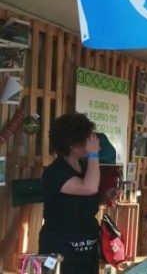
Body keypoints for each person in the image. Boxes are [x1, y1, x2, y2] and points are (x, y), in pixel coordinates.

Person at [39, 113, 101, 274]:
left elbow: (90, 196)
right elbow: (89, 188)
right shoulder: (55, 172)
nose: (90, 143)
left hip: (87, 246)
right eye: (86, 139)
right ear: (72, 144)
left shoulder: (86, 167)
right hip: (60, 246)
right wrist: (94, 154)